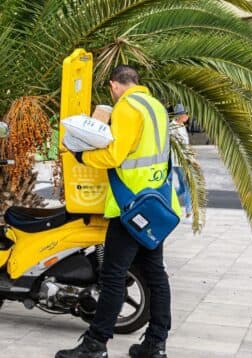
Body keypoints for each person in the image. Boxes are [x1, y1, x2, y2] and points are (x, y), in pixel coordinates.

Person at [57, 65, 180, 358]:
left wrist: (80, 154)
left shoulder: (126, 107)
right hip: (155, 203)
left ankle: (95, 344)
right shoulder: (157, 107)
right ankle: (155, 343)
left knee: (112, 276)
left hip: (130, 207)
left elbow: (115, 154)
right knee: (155, 274)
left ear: (114, 85)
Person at [170, 104, 193, 220]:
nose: (188, 116)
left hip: (182, 160)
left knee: (183, 188)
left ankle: (168, 200)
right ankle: (189, 212)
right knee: (188, 186)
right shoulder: (173, 127)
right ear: (180, 115)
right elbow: (180, 147)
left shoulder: (181, 126)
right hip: (179, 161)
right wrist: (191, 160)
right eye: (186, 114)